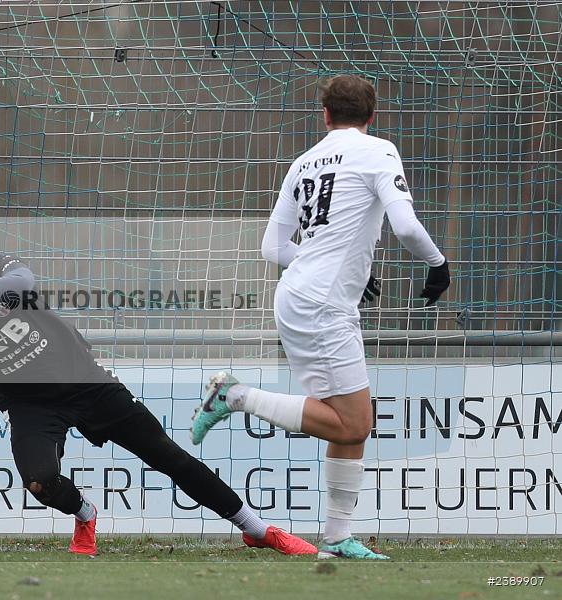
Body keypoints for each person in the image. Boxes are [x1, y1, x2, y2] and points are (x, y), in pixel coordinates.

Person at [0, 227, 318, 556]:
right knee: (38, 484)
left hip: (90, 385)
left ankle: (259, 530)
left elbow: (25, 282)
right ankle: (85, 513)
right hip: (32, 405)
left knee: (170, 458)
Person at [190, 74, 451, 560]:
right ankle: (235, 395)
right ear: (372, 117)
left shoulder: (303, 162)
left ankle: (337, 536)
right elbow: (408, 227)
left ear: (326, 116)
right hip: (323, 305)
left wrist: (330, 266)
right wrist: (438, 264)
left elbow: (272, 248)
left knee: (347, 422)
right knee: (354, 424)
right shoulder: (379, 151)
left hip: (301, 294)